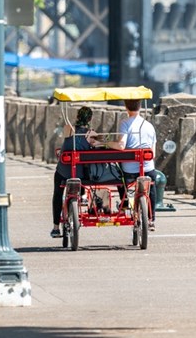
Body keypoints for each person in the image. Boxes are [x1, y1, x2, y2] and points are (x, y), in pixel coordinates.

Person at [101, 99, 157, 230]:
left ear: (126, 107)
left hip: (130, 172)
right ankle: (151, 219)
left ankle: (125, 203)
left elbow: (121, 145)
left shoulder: (125, 124)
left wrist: (105, 143)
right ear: (140, 106)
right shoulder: (149, 126)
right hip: (148, 168)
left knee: (119, 176)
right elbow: (153, 152)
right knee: (151, 186)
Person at [51, 106, 98, 238]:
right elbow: (98, 145)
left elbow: (66, 142)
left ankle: (56, 227)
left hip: (64, 171)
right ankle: (82, 196)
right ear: (90, 119)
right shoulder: (91, 134)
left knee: (57, 194)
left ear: (77, 117)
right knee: (82, 170)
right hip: (80, 174)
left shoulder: (68, 129)